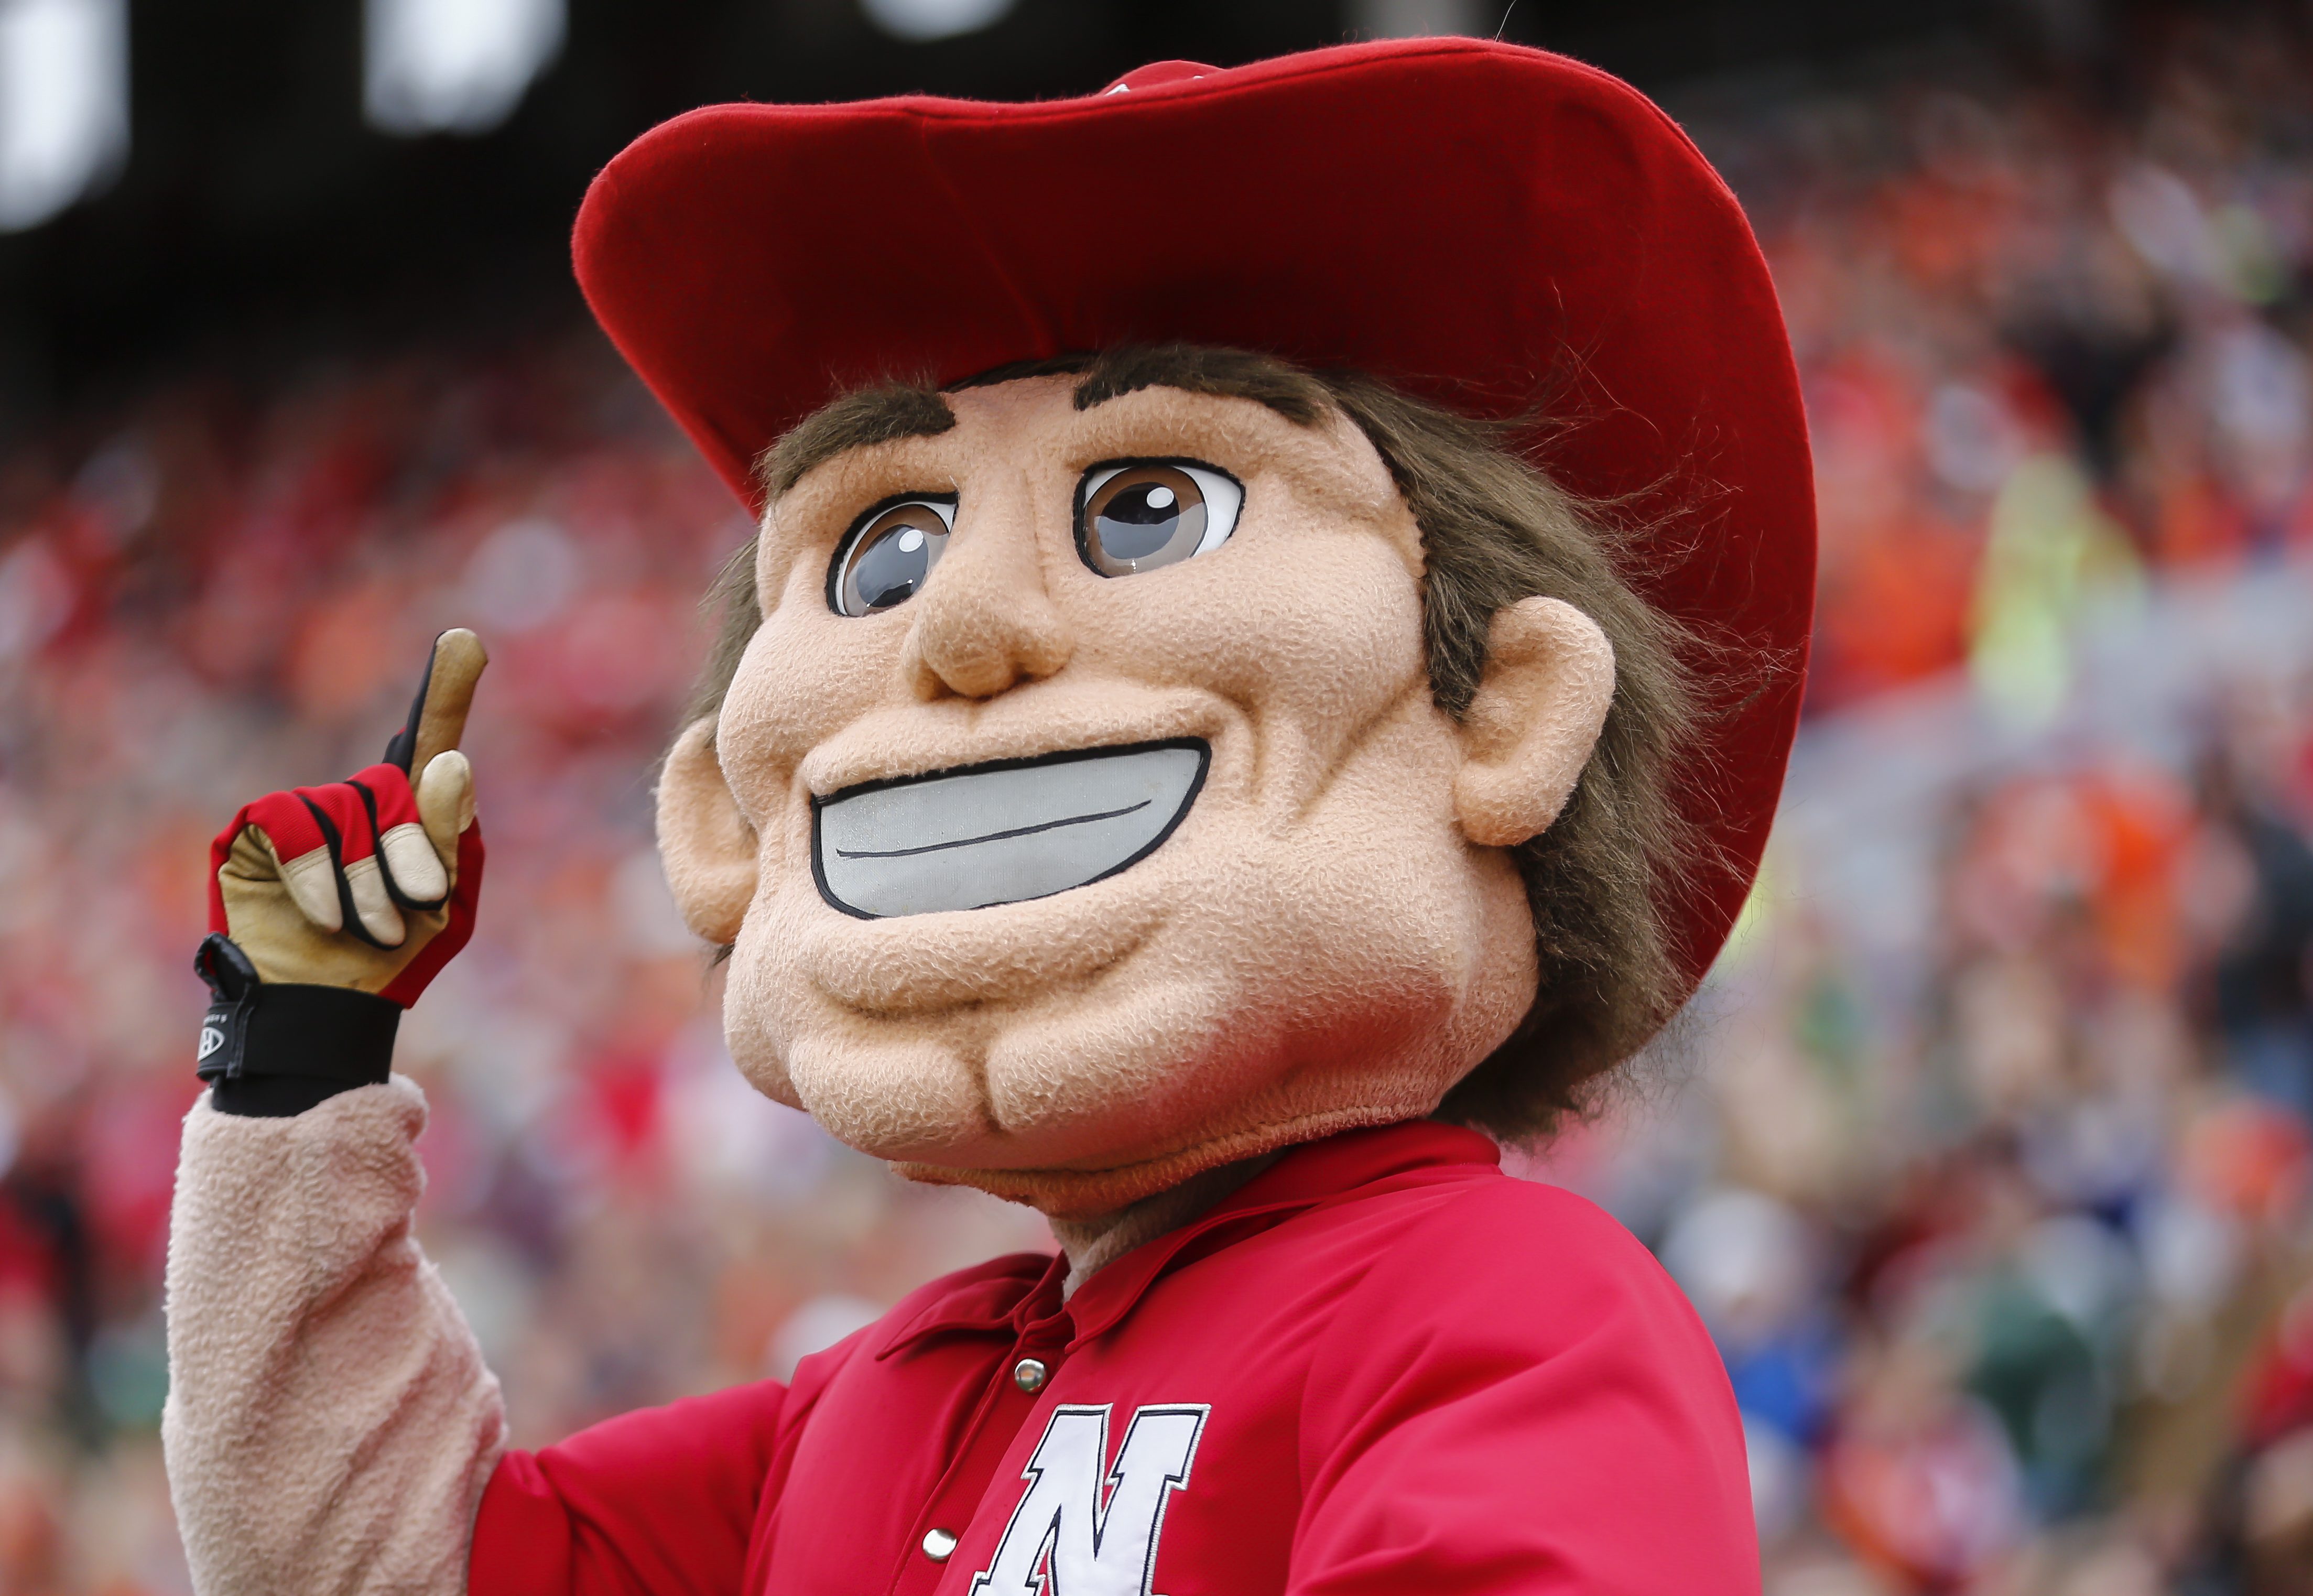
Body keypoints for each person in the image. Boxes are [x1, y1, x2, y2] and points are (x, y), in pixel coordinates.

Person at [160, 36, 1816, 1595]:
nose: (962, 626)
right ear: (721, 814)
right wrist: (300, 1056)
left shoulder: (1504, 1301)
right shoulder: (877, 1393)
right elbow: (386, 1559)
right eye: (887, 553)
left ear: (1504, 714)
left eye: (1149, 508)